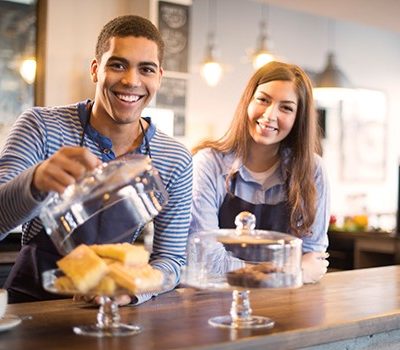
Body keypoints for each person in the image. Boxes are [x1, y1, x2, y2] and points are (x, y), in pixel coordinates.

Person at [0, 15, 192, 303]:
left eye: (146, 69)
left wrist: (130, 292)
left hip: (111, 312)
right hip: (33, 308)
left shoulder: (174, 159)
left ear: (159, 78)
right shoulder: (40, 126)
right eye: (117, 65)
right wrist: (36, 180)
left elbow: (172, 260)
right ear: (95, 70)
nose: (131, 80)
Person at [189, 61, 329, 284]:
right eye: (263, 100)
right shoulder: (208, 164)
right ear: (248, 101)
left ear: (298, 118)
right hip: (215, 305)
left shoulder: (312, 170)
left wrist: (296, 270)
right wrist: (293, 273)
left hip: (285, 306)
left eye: (286, 107)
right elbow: (206, 261)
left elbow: (313, 256)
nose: (270, 115)